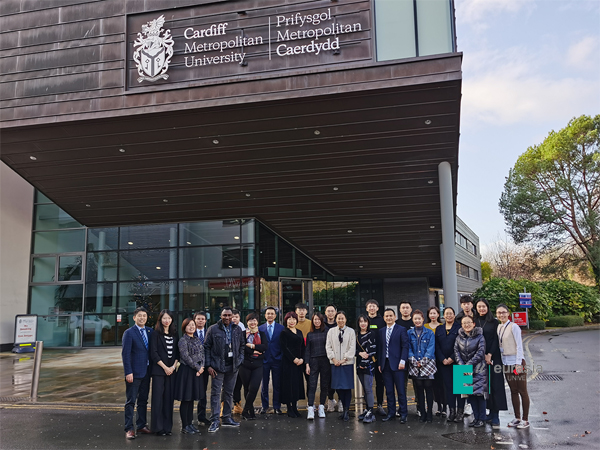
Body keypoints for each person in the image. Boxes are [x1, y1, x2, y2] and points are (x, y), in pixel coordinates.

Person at [204, 306, 245, 433]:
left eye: (229, 315)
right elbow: (206, 347)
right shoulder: (213, 329)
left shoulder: (237, 329)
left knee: (229, 393)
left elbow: (242, 346)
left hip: (233, 366)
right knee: (215, 394)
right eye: (224, 315)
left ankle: (227, 417)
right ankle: (215, 420)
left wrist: (240, 360)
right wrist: (208, 365)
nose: (227, 317)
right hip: (217, 366)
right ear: (220, 316)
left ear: (232, 316)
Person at [474, 298, 508, 428]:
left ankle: (495, 415)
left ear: (487, 307)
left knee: (495, 385)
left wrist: (490, 354)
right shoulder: (474, 321)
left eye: (483, 306)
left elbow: (495, 339)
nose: (481, 309)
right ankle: (487, 412)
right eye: (479, 306)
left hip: (493, 357)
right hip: (478, 357)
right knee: (482, 386)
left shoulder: (494, 322)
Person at [496, 303, 531, 429]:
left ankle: (525, 420)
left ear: (508, 313)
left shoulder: (514, 326)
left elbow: (519, 346)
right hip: (506, 363)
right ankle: (517, 417)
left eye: (503, 312)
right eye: (499, 313)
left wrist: (518, 364)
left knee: (522, 391)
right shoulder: (499, 327)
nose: (501, 315)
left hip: (516, 362)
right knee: (513, 391)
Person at [121, 307, 153, 439]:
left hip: (147, 372)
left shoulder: (150, 331)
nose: (142, 318)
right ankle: (129, 428)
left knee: (143, 400)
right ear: (134, 318)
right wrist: (128, 372)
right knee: (131, 401)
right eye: (139, 316)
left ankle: (141, 425)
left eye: (144, 316)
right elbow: (126, 354)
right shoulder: (129, 333)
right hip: (134, 373)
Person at [150, 309, 179, 436]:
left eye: (169, 318)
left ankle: (167, 428)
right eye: (164, 318)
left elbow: (177, 354)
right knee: (158, 400)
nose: (167, 320)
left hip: (171, 372)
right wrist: (165, 367)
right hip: (159, 371)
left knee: (168, 400)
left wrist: (172, 367)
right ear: (160, 319)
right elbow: (154, 353)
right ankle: (158, 428)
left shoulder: (174, 334)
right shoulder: (155, 334)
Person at [454, 315, 487, 427]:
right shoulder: (458, 337)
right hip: (462, 369)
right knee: (469, 395)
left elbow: (481, 352)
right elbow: (456, 352)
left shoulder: (480, 336)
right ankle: (475, 418)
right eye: (464, 323)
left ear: (474, 324)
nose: (466, 325)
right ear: (461, 325)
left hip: (478, 369)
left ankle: (482, 419)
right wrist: (463, 367)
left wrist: (468, 366)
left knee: (479, 395)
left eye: (469, 322)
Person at [378, 308, 409, 423]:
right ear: (384, 318)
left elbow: (405, 346)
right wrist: (379, 363)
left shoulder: (401, 329)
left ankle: (403, 414)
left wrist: (403, 361)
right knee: (389, 391)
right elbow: (380, 348)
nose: (389, 318)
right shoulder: (381, 331)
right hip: (385, 364)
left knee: (401, 390)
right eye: (386, 316)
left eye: (391, 315)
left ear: (395, 317)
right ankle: (391, 413)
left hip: (398, 364)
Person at [175, 318, 204, 435]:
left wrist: (201, 367)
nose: (191, 327)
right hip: (186, 371)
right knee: (186, 399)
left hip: (196, 372)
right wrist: (197, 368)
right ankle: (185, 425)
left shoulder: (197, 339)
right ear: (184, 327)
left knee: (191, 399)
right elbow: (185, 356)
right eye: (188, 325)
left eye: (193, 325)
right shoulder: (183, 340)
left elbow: (202, 354)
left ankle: (190, 423)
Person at [434, 307, 464, 423]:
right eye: (446, 314)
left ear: (454, 315)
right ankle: (452, 412)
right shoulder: (439, 329)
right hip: (444, 364)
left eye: (451, 313)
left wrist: (452, 358)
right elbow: (436, 346)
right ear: (443, 316)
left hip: (459, 362)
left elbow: (462, 344)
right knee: (449, 388)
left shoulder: (460, 327)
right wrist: (442, 359)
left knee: (460, 388)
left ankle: (460, 412)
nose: (449, 316)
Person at [326, 311, 356, 422]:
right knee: (338, 387)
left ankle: (346, 410)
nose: (340, 320)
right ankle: (343, 408)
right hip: (335, 364)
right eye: (338, 318)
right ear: (336, 319)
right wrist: (333, 359)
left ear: (346, 319)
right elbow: (328, 346)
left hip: (346, 364)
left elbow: (352, 348)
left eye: (342, 318)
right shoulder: (331, 331)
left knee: (347, 388)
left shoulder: (351, 331)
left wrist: (344, 360)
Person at [407, 309, 436, 423]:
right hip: (414, 364)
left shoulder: (430, 333)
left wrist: (423, 361)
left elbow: (431, 348)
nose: (417, 321)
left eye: (419, 318)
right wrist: (414, 361)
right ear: (412, 320)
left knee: (428, 388)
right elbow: (408, 348)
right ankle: (422, 412)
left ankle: (429, 413)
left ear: (423, 319)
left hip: (428, 364)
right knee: (419, 389)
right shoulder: (409, 333)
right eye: (415, 319)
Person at [239, 312, 268, 420]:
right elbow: (241, 347)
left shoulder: (262, 333)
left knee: (254, 387)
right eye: (250, 320)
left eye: (254, 320)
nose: (252, 322)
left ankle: (245, 410)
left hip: (258, 364)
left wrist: (251, 346)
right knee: (247, 388)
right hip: (245, 364)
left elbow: (264, 347)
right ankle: (250, 411)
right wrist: (254, 351)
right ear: (247, 322)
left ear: (257, 322)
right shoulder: (242, 334)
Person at [258, 307, 285, 415]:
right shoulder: (260, 328)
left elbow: (283, 344)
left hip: (277, 359)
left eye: (272, 314)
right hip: (264, 360)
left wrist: (280, 356)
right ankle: (264, 406)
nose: (270, 315)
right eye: (268, 313)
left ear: (275, 316)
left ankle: (277, 406)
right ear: (265, 315)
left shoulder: (281, 328)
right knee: (264, 384)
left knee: (277, 384)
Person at [280, 311, 306, 418]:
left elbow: (303, 347)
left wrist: (302, 359)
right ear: (286, 320)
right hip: (288, 363)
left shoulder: (299, 332)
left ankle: (295, 407)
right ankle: (289, 408)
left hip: (299, 363)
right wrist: (293, 359)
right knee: (288, 385)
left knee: (296, 385)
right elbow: (284, 348)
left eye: (294, 319)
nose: (292, 321)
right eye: (289, 319)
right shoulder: (284, 332)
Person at [305, 312, 329, 419]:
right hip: (313, 361)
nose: (317, 321)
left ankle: (322, 407)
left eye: (319, 319)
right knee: (312, 385)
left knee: (324, 385)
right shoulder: (310, 334)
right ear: (312, 321)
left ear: (322, 320)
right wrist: (307, 364)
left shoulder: (327, 332)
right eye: (315, 319)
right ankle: (310, 407)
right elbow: (307, 350)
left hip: (325, 361)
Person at [365, 299, 387, 416]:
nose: (372, 308)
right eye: (370, 306)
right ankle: (368, 406)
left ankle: (379, 405)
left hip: (379, 356)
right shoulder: (364, 320)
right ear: (366, 308)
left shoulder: (382, 321)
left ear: (377, 308)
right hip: (367, 356)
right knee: (367, 383)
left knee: (380, 382)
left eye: (374, 306)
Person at [455, 296, 475, 416]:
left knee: (477, 384)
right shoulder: (458, 318)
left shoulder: (478, 316)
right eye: (464, 304)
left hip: (476, 353)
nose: (466, 306)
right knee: (462, 385)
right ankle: (463, 408)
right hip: (462, 353)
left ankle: (477, 407)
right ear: (461, 305)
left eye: (468, 303)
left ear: (472, 304)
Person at [355, 314, 377, 423]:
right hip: (359, 365)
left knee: (368, 388)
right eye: (361, 321)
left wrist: (364, 363)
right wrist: (359, 353)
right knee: (364, 388)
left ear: (368, 323)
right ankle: (367, 409)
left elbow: (372, 350)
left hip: (369, 365)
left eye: (365, 321)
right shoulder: (356, 335)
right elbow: (353, 349)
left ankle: (371, 412)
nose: (363, 324)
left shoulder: (371, 334)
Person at [425, 306, 446, 417]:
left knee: (443, 384)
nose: (432, 315)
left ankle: (445, 406)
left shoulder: (442, 326)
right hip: (429, 360)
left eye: (434, 313)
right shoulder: (425, 326)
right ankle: (438, 406)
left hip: (441, 358)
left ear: (438, 314)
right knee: (434, 385)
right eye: (431, 313)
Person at [396, 301, 415, 416]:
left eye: (407, 307)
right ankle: (402, 408)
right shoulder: (397, 323)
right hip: (402, 359)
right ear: (400, 310)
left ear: (411, 309)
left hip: (416, 359)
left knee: (418, 385)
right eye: (403, 307)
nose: (405, 310)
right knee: (402, 385)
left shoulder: (415, 322)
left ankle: (420, 407)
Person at [193, 312, 211, 426]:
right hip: (193, 367)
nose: (200, 321)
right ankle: (188, 418)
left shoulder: (209, 332)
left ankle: (202, 416)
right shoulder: (190, 332)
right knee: (191, 392)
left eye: (202, 319)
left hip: (205, 367)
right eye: (198, 319)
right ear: (194, 320)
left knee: (203, 392)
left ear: (205, 321)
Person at [323, 304, 342, 413]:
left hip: (339, 357)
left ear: (335, 312)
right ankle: (330, 400)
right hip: (326, 357)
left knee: (339, 380)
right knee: (328, 380)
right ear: (325, 313)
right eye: (328, 311)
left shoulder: (340, 323)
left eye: (332, 311)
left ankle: (340, 401)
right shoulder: (322, 325)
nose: (330, 313)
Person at [231, 309, 246, 415]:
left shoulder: (243, 329)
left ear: (239, 318)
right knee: (226, 386)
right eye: (232, 317)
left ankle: (237, 405)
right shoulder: (225, 328)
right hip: (228, 361)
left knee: (238, 384)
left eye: (236, 317)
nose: (234, 319)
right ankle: (224, 407)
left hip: (239, 361)